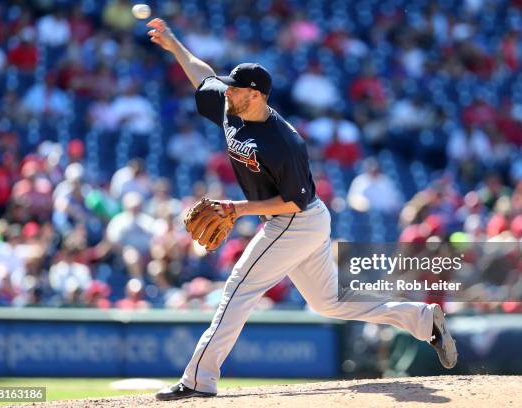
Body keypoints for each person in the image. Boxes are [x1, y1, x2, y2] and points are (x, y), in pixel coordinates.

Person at [147, 18, 457, 401]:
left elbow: (294, 201)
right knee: (329, 302)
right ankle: (424, 320)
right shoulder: (232, 108)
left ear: (257, 95)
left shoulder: (284, 142)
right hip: (298, 222)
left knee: (237, 291)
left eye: (236, 90)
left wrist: (238, 209)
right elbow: (203, 76)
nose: (227, 93)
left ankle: (198, 380)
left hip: (295, 220)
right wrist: (175, 43)